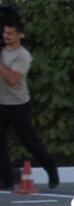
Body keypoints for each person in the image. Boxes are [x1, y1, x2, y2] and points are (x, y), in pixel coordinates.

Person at [0, 18, 59, 189]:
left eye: (10, 33)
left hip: (19, 104)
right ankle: (6, 179)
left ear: (20, 35)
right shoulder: (2, 50)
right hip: (1, 104)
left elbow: (12, 79)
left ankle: (51, 169)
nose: (6, 36)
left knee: (28, 140)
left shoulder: (23, 55)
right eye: (5, 32)